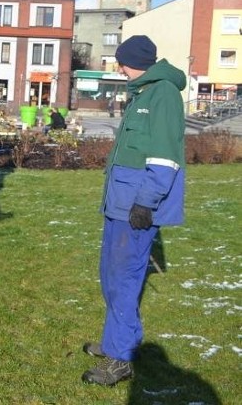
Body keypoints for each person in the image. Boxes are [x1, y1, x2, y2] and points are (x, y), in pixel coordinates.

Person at [82, 35, 186, 386]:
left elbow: (165, 158)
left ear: (136, 61)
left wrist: (146, 202)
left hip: (136, 208)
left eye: (121, 61)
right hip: (120, 205)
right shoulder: (144, 93)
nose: (119, 67)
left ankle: (121, 358)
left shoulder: (164, 96)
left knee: (124, 281)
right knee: (112, 276)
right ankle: (118, 341)